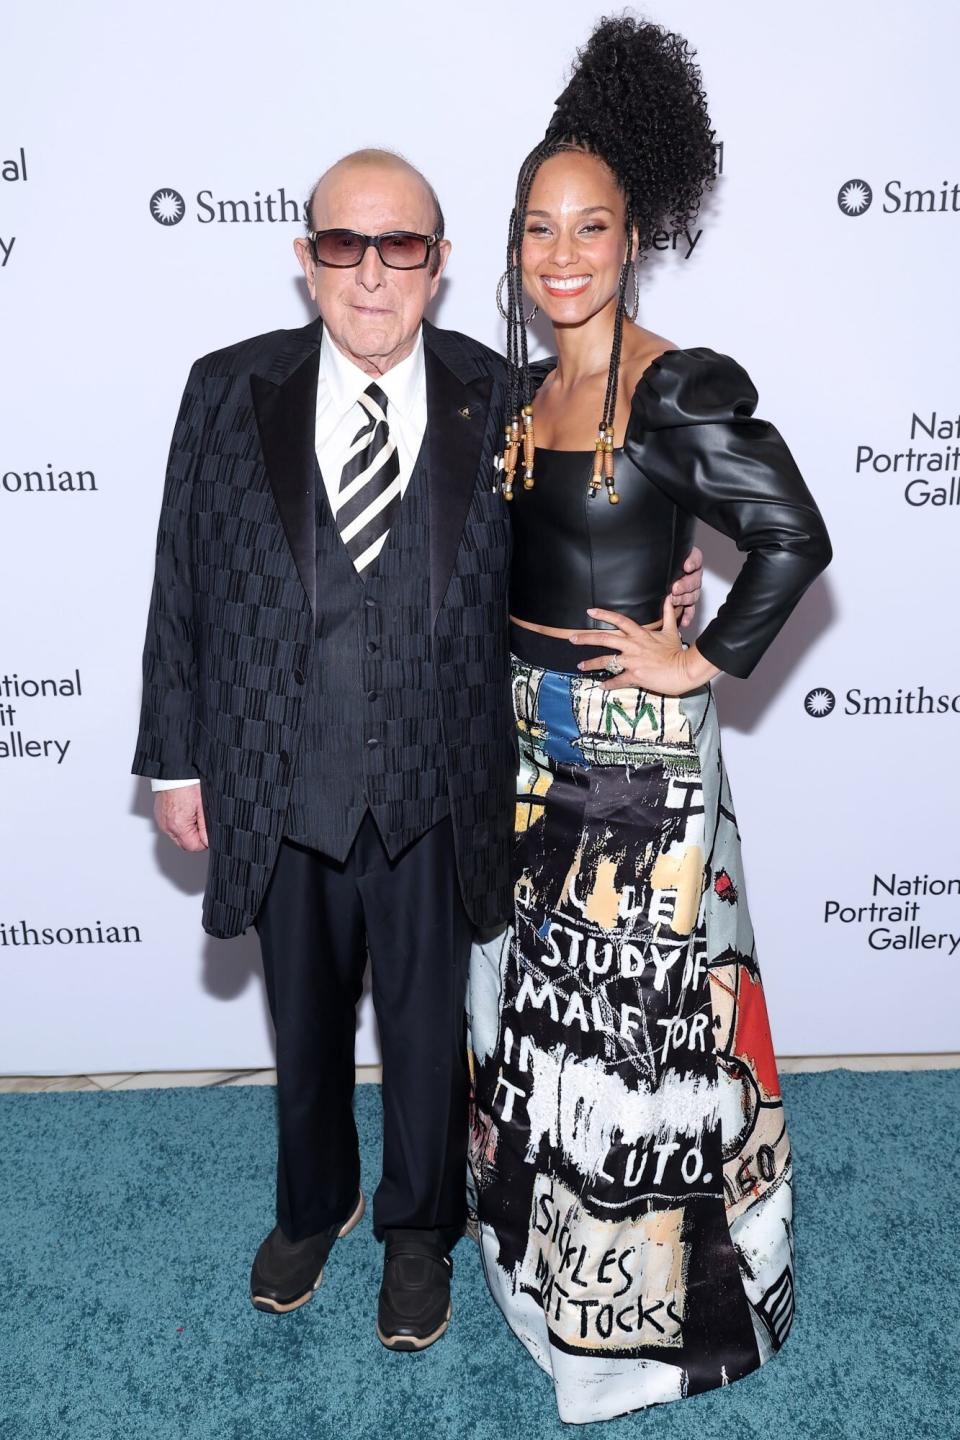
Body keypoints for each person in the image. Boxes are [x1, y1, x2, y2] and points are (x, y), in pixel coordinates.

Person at [132, 147, 706, 1351]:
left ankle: (417, 1233)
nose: (374, 274)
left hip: (441, 784)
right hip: (277, 783)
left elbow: (573, 545)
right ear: (308, 261)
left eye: (402, 247)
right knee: (300, 1020)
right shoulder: (226, 388)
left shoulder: (501, 398)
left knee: (426, 1032)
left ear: (439, 266)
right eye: (346, 245)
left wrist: (671, 578)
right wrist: (176, 763)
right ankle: (310, 1202)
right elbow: (180, 586)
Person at [468, 17, 832, 1424]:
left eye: (592, 228)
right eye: (540, 230)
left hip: (638, 767)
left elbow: (792, 534)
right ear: (518, 245)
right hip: (524, 750)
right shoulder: (523, 392)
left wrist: (707, 656)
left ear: (633, 237)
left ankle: (643, 1340)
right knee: (539, 1030)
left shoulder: (678, 383)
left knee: (643, 1045)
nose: (563, 255)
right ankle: (548, 1295)